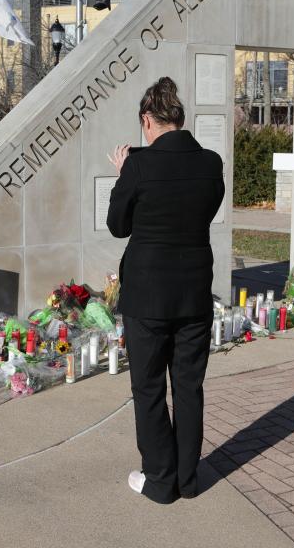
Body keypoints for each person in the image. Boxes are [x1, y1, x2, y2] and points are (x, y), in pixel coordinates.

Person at [107, 76, 225, 504]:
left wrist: (125, 174)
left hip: (148, 295)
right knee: (189, 387)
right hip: (194, 291)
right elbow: (206, 211)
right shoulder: (211, 163)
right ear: (180, 118)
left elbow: (118, 226)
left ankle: (160, 480)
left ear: (147, 121)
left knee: (150, 387)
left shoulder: (138, 166)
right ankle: (188, 480)